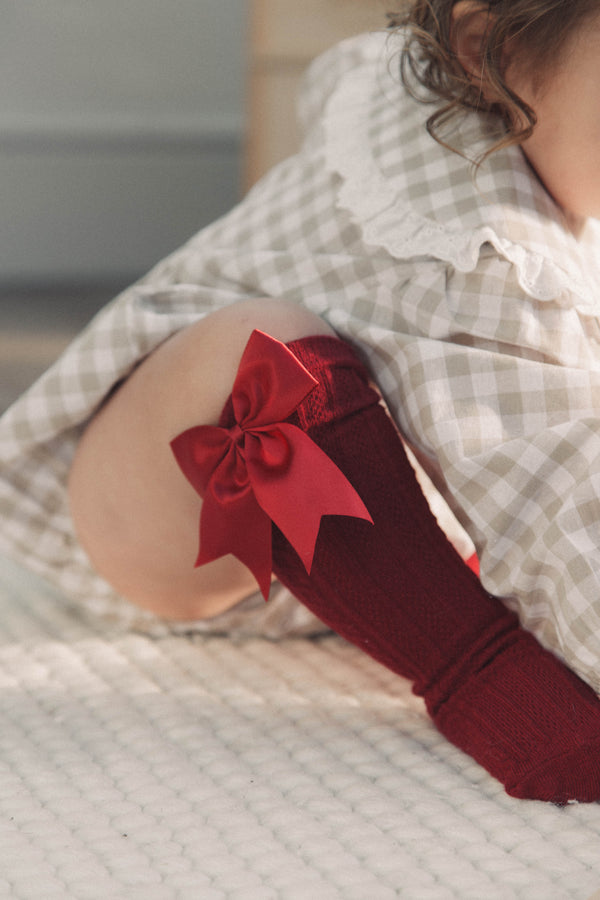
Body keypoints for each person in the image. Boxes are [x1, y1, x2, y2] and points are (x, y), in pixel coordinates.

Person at [2, 0, 600, 803]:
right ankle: (469, 661)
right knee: (262, 353)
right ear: (487, 45)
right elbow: (557, 489)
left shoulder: (485, 114)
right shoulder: (478, 250)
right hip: (169, 522)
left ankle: (413, 581)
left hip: (373, 540)